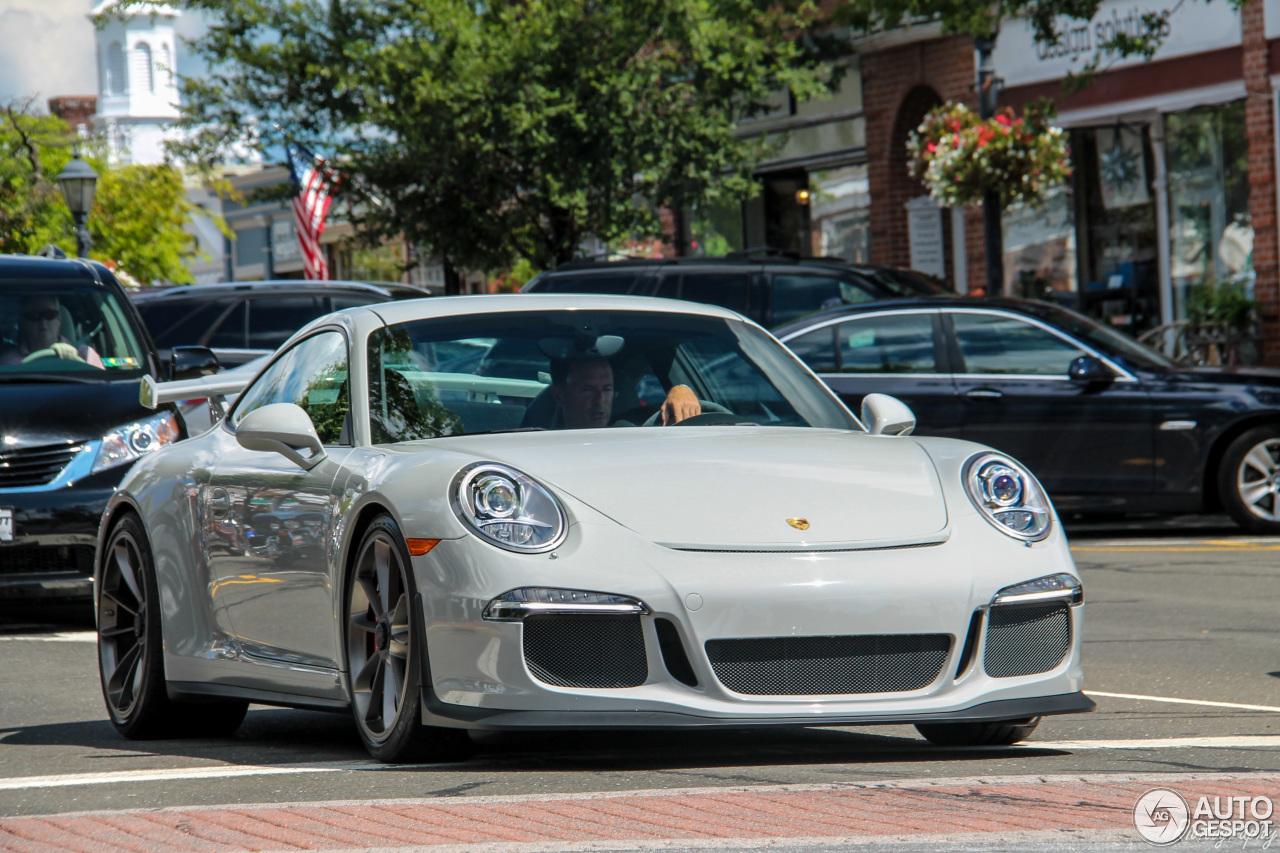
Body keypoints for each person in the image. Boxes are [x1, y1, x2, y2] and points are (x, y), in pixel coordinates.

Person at [551, 358, 700, 428]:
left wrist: (681, 390)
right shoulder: (541, 448)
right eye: (588, 390)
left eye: (607, 389)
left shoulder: (632, 432)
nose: (600, 400)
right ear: (560, 395)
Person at [1, 294, 104, 368]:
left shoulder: (84, 354)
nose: (43, 322)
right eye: (34, 316)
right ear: (23, 322)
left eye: (49, 315)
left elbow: (102, 390)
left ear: (59, 319)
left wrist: (73, 363)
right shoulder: (10, 363)